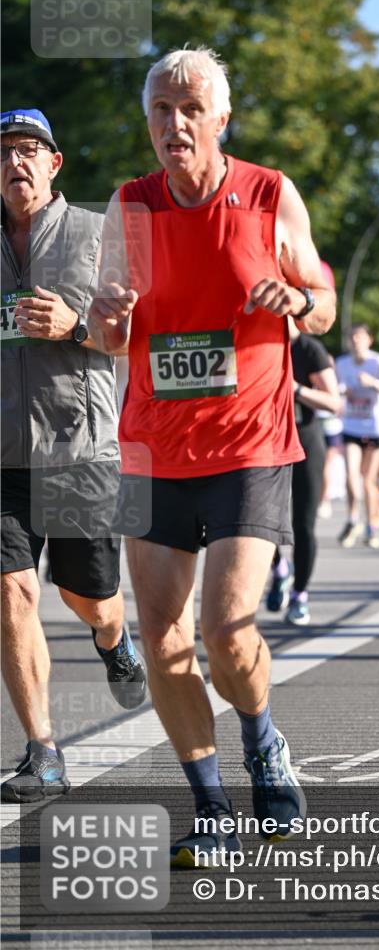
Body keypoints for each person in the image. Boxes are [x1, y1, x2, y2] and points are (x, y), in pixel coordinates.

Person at [88, 48, 335, 866]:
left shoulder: (267, 194)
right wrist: (109, 317)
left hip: (250, 443)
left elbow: (325, 304)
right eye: (160, 109)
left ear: (220, 119)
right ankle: (211, 805)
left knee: (227, 634)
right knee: (161, 641)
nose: (173, 123)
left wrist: (296, 299)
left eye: (190, 108)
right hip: (154, 450)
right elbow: (106, 336)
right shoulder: (132, 205)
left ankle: (263, 740)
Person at [0, 108, 146, 803]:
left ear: (54, 164)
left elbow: (133, 336)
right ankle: (44, 752)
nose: (15, 163)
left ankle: (114, 639)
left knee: (87, 596)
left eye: (30, 150)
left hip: (78, 446)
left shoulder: (96, 234)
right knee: (12, 592)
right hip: (1, 452)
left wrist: (77, 325)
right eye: (4, 153)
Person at [266, 318, 341, 626]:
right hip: (267, 443)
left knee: (303, 524)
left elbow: (334, 402)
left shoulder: (309, 349)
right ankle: (279, 570)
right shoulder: (261, 344)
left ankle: (299, 595)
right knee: (260, 520)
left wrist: (296, 389)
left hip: (305, 441)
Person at [335, 324, 379, 550]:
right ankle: (353, 519)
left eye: (359, 337)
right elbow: (334, 391)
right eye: (352, 337)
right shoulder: (341, 364)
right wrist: (344, 392)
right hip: (351, 425)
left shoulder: (378, 363)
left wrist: (373, 384)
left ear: (369, 340)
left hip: (376, 428)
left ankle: (372, 525)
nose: (355, 341)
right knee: (351, 476)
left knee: (368, 480)